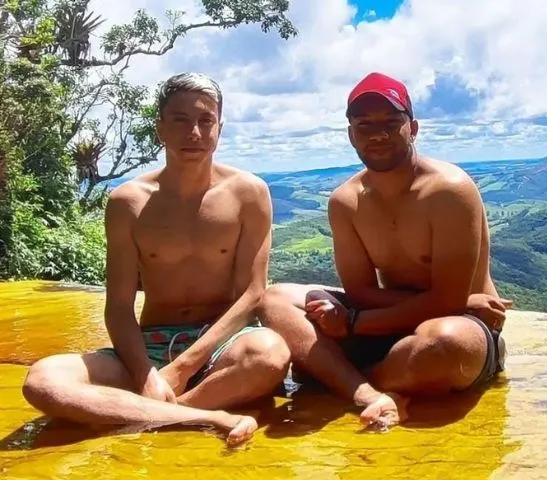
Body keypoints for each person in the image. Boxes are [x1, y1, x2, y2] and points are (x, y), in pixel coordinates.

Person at [21, 72, 290, 447]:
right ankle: (199, 415)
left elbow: (252, 294)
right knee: (44, 380)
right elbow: (118, 306)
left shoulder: (249, 193)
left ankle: (142, 413)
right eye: (180, 120)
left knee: (270, 356)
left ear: (219, 127)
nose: (193, 132)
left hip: (222, 345)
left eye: (205, 121)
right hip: (148, 346)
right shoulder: (128, 203)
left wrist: (183, 367)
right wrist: (147, 374)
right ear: (160, 128)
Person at [257, 72, 512, 429]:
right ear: (350, 134)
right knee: (274, 299)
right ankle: (366, 393)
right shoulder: (345, 202)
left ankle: (332, 375)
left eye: (392, 123)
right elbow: (361, 291)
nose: (378, 134)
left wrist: (353, 323)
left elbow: (450, 301)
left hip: (460, 324)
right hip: (389, 326)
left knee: (443, 346)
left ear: (414, 127)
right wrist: (342, 314)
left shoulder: (449, 191)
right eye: (364, 125)